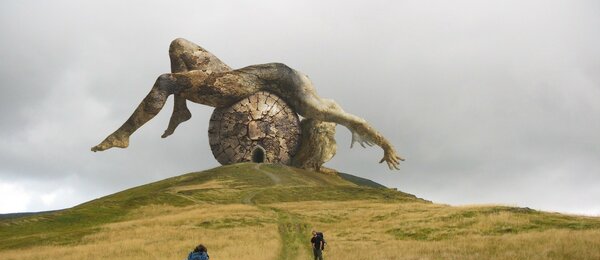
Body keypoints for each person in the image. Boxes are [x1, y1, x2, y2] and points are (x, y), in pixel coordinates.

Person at [91, 38, 403, 170]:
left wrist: (386, 146)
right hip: (237, 74)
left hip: (236, 87)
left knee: (165, 81)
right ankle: (180, 108)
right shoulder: (305, 89)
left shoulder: (313, 107)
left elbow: (356, 122)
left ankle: (124, 135)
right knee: (178, 45)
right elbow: (354, 121)